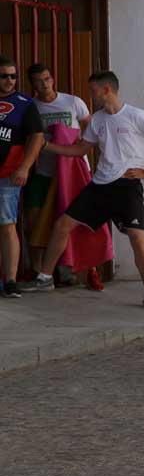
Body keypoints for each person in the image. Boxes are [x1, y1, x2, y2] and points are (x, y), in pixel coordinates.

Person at [25, 71, 144, 309]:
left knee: (138, 238)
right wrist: (48, 146)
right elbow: (81, 149)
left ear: (106, 90)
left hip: (127, 187)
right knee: (63, 225)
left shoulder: (136, 116)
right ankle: (45, 278)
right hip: (99, 185)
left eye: (93, 91)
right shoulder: (97, 120)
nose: (90, 95)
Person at [23, 63, 104, 290]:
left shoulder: (73, 102)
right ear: (33, 85)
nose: (44, 84)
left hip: (74, 171)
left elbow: (91, 132)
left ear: (53, 79)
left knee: (81, 222)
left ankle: (85, 270)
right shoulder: (32, 107)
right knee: (36, 220)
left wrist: (93, 163)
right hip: (45, 171)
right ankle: (39, 273)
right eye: (39, 81)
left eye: (47, 79)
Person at [0, 56, 44, 299]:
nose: (9, 80)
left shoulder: (24, 103)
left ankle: (10, 281)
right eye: (4, 76)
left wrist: (25, 167)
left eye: (13, 76)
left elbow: (37, 137)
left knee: (7, 226)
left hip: (7, 174)